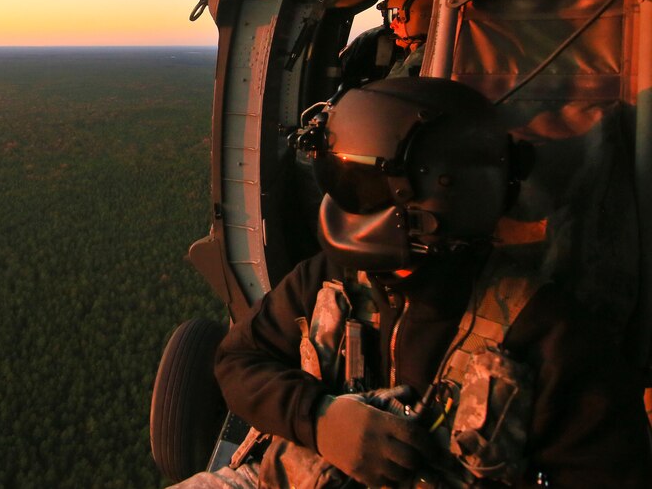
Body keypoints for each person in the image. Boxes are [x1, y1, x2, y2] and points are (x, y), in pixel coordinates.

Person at [173, 77, 651, 488]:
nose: (349, 202)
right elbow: (236, 361)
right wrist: (317, 418)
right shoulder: (327, 280)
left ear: (440, 198)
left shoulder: (545, 335)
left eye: (364, 188)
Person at [338, 0, 435, 90]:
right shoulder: (428, 55)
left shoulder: (425, 60)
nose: (392, 25)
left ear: (423, 16)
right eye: (390, 16)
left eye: (396, 16)